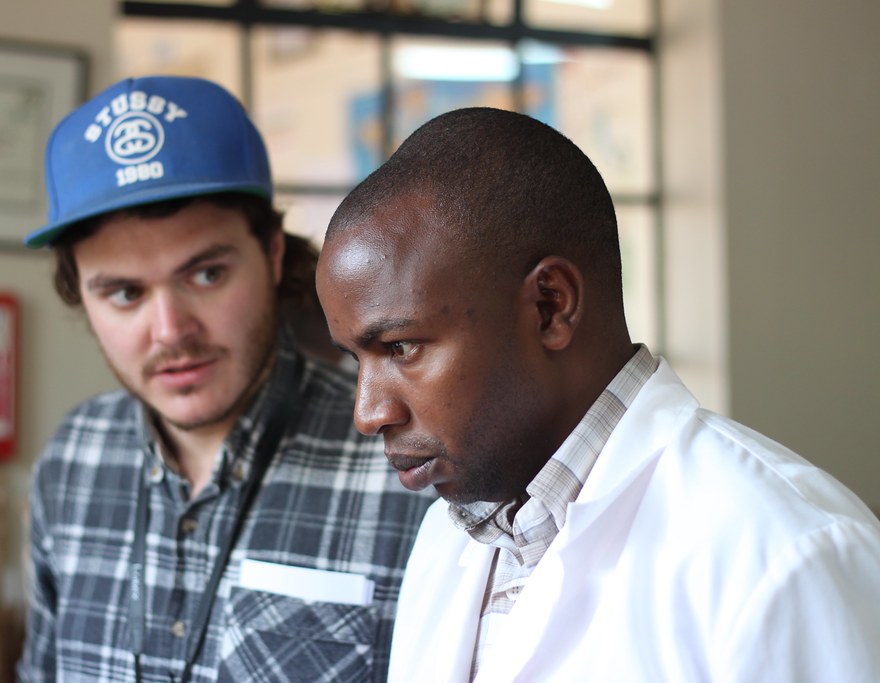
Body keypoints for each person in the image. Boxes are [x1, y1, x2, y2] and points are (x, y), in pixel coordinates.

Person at [315, 107, 880, 682]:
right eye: (354, 358)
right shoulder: (449, 536)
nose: (368, 413)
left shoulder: (785, 552)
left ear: (550, 306)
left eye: (401, 348)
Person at [16, 75, 433, 683]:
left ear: (270, 254)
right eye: (126, 293)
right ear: (79, 294)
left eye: (206, 275)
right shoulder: (72, 458)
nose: (170, 330)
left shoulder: (407, 464)